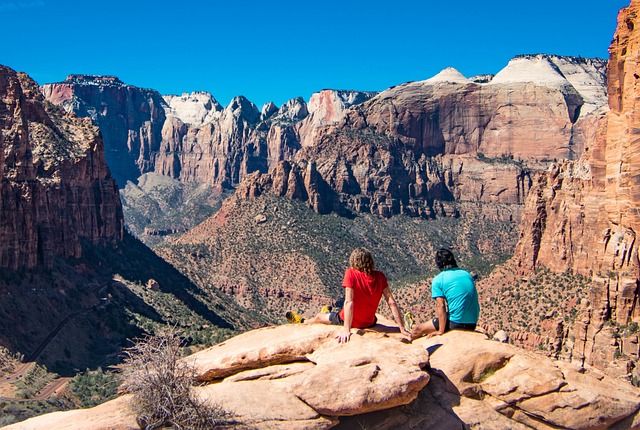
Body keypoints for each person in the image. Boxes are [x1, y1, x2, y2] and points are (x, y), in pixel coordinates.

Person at [286, 247, 411, 343]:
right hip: (369, 322)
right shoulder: (380, 276)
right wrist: (401, 328)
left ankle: (303, 322)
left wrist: (346, 330)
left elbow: (349, 302)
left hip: (350, 321)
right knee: (381, 324)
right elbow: (391, 302)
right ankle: (326, 312)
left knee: (319, 318)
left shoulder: (351, 274)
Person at [405, 248, 479, 339]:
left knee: (418, 329)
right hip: (472, 323)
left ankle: (411, 327)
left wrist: (441, 331)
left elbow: (441, 306)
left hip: (456, 323)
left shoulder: (439, 279)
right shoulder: (467, 274)